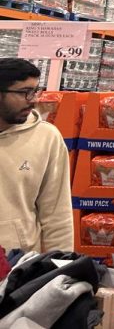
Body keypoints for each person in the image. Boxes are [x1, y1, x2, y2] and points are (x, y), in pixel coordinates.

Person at [0, 58, 72, 255]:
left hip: (18, 268)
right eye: (24, 92)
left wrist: (62, 267)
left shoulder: (47, 138)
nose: (34, 99)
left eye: (35, 91)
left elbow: (57, 213)